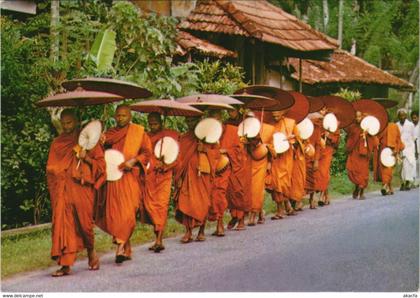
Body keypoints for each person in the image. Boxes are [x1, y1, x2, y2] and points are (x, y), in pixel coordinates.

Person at [46, 109, 105, 276]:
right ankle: (65, 264)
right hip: (63, 189)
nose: (66, 127)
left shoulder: (88, 140)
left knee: (85, 224)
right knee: (64, 224)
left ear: (77, 121)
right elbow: (50, 167)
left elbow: (101, 166)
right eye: (63, 123)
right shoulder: (58, 143)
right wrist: (59, 171)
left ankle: (91, 251)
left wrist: (85, 157)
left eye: (69, 123)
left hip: (81, 188)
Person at [96, 105, 152, 263]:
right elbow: (100, 153)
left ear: (130, 116)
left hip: (130, 177)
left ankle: (120, 246)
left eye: (124, 115)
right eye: (118, 115)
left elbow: (147, 153)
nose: (120, 118)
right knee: (115, 214)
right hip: (113, 177)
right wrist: (100, 142)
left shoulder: (138, 132)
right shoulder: (110, 134)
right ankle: (124, 247)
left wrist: (133, 161)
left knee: (128, 213)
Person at [173, 116, 220, 243]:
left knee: (203, 202)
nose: (190, 123)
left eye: (192, 120)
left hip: (203, 175)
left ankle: (201, 231)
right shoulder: (184, 138)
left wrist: (205, 150)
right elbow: (180, 159)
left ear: (199, 121)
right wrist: (179, 176)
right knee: (186, 201)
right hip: (188, 174)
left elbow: (216, 155)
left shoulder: (209, 136)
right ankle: (188, 232)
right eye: (188, 120)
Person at [143, 112, 179, 252]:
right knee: (150, 206)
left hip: (164, 176)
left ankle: (159, 240)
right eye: (150, 124)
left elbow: (176, 157)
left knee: (161, 206)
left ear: (161, 122)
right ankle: (156, 237)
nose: (153, 127)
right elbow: (144, 155)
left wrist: (165, 165)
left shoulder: (170, 136)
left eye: (155, 123)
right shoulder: (146, 137)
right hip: (150, 176)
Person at [269, 110, 300, 218]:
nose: (275, 116)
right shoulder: (270, 124)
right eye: (274, 114)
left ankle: (287, 206)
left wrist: (291, 139)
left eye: (277, 114)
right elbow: (266, 139)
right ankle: (280, 209)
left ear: (283, 112)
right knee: (276, 183)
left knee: (284, 183)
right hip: (275, 157)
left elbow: (299, 140)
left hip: (286, 157)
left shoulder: (290, 123)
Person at [346, 111, 378, 199]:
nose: (358, 119)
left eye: (359, 117)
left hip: (364, 154)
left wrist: (368, 134)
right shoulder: (352, 127)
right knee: (352, 170)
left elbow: (374, 141)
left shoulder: (368, 127)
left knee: (363, 173)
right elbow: (349, 139)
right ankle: (357, 187)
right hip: (354, 153)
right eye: (356, 117)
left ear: (362, 117)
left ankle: (362, 192)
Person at [313, 107, 340, 206]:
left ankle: (321, 195)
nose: (321, 112)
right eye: (320, 110)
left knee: (324, 171)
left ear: (327, 111)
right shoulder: (317, 122)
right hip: (318, 150)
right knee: (318, 173)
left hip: (327, 150)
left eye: (323, 110)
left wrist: (329, 136)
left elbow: (336, 140)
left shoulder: (332, 122)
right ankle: (326, 196)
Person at [373, 120, 404, 195]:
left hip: (389, 151)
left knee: (387, 169)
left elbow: (397, 139)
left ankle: (385, 184)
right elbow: (398, 140)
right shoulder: (384, 126)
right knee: (387, 169)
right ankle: (388, 187)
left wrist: (396, 149)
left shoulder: (392, 126)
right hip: (386, 150)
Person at [396, 109, 416, 190]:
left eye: (403, 115)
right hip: (400, 148)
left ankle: (407, 182)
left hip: (409, 148)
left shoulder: (410, 125)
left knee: (408, 165)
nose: (402, 117)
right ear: (398, 116)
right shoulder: (396, 125)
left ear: (406, 116)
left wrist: (415, 151)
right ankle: (403, 182)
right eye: (400, 115)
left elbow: (414, 137)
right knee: (401, 166)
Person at [410, 111, 419, 187]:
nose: (414, 119)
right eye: (412, 118)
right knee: (414, 165)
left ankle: (418, 181)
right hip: (413, 148)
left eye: (415, 118)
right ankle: (414, 181)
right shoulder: (410, 126)